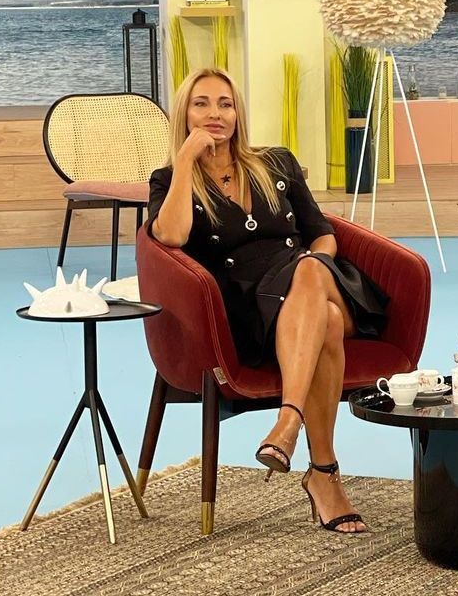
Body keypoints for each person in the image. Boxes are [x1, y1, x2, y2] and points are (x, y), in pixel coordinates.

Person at [148, 68, 388, 534]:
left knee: (311, 272)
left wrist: (314, 272)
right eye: (201, 103)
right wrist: (185, 161)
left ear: (238, 113)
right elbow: (171, 235)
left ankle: (288, 421)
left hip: (321, 279)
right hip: (255, 313)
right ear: (184, 113)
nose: (216, 114)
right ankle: (323, 476)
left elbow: (322, 234)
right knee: (325, 321)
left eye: (225, 104)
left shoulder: (275, 163)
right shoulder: (169, 179)